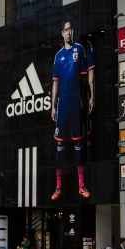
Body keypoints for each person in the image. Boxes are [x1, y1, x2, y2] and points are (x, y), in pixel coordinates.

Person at [50, 18, 95, 200]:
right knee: (60, 143)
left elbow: (88, 75)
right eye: (66, 29)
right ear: (62, 33)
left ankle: (81, 185)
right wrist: (53, 106)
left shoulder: (80, 49)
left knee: (78, 143)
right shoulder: (58, 56)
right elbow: (55, 83)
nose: (69, 32)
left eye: (70, 29)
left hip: (76, 101)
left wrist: (92, 96)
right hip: (63, 103)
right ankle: (58, 186)